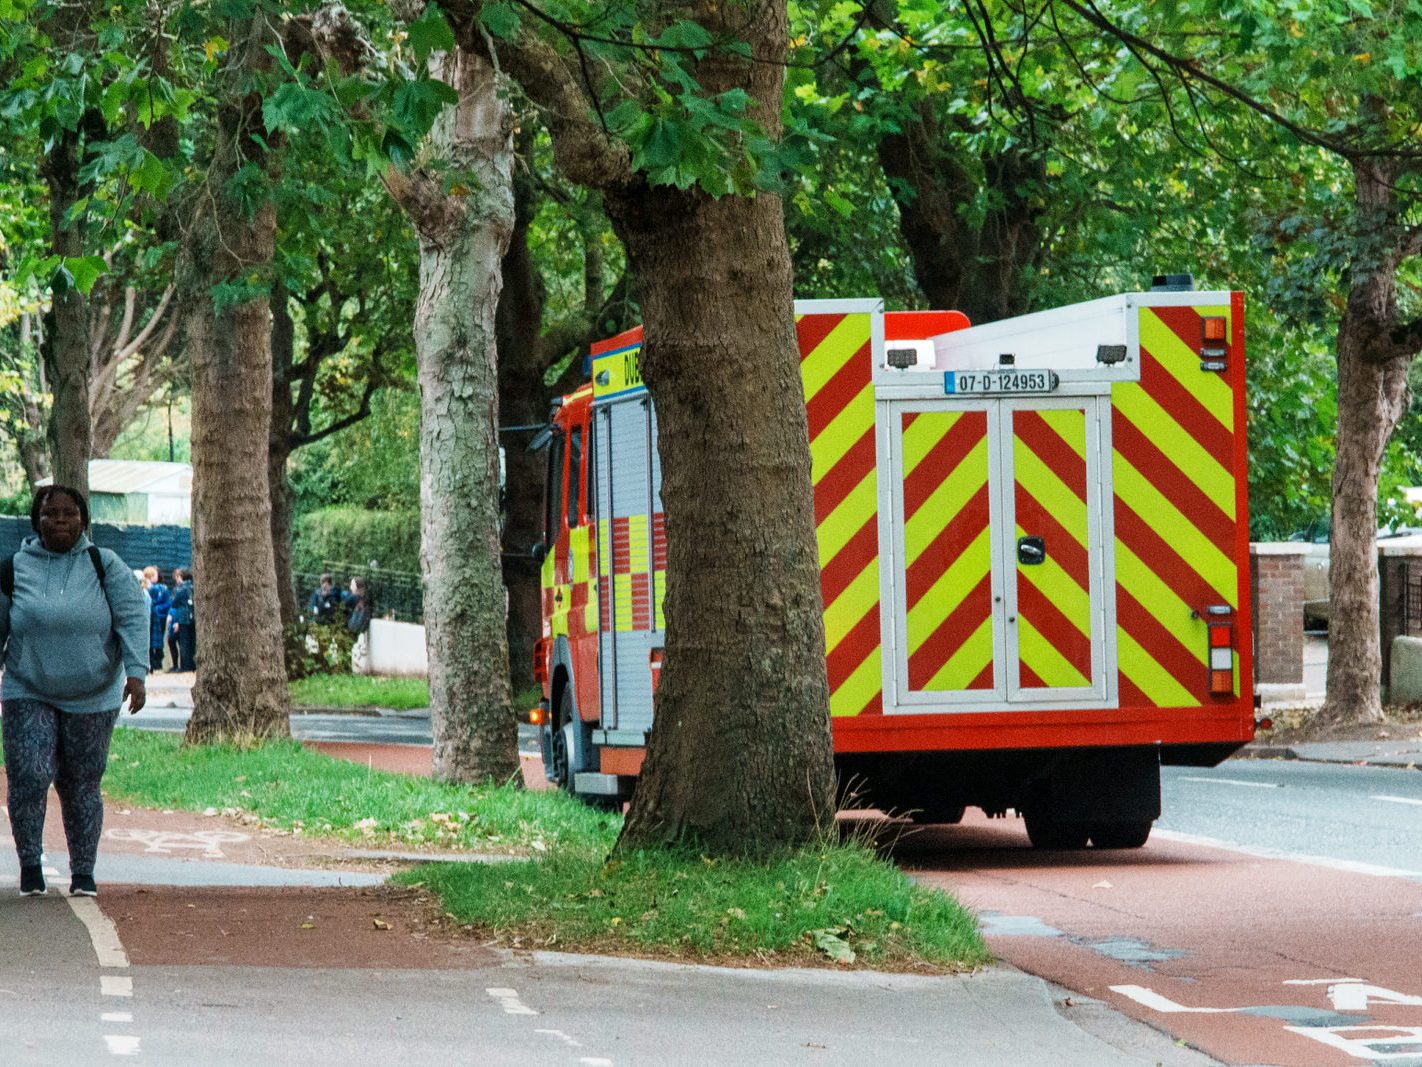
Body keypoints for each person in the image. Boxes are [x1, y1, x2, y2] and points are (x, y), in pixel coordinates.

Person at [0, 484, 148, 897]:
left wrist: (136, 673)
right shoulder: (14, 568)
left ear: (83, 520)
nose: (60, 521)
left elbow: (132, 618)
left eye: (68, 514)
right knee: (28, 774)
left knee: (81, 782)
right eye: (50, 514)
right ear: (37, 521)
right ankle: (31, 864)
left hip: (94, 693)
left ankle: (83, 870)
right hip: (29, 687)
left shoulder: (105, 564)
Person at [144, 565, 170, 672]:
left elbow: (167, 603)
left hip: (159, 617)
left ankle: (157, 662)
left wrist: (157, 610)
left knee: (157, 640)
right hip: (152, 617)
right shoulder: (147, 589)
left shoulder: (162, 588)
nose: (157, 576)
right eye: (154, 574)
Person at [169, 567, 196, 672]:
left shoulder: (181, 589)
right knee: (192, 642)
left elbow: (174, 603)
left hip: (183, 618)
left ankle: (185, 666)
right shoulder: (194, 587)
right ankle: (193, 664)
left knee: (184, 642)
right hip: (193, 617)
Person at [344, 577, 371, 673]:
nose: (350, 586)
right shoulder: (365, 600)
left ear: (356, 587)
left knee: (346, 647)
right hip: (357, 628)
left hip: (351, 627)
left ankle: (346, 667)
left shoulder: (354, 597)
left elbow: (343, 606)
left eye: (352, 584)